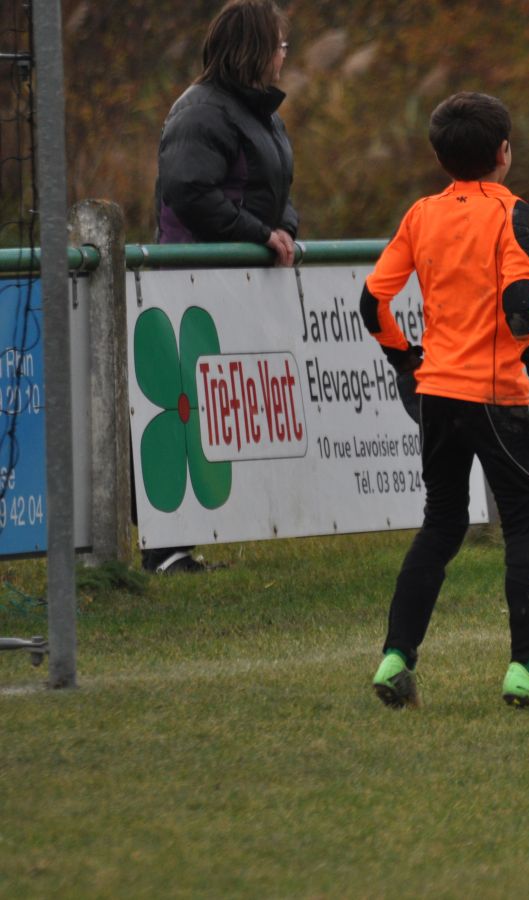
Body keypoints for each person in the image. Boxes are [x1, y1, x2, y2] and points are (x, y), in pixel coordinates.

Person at [364, 92, 529, 712]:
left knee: (442, 523)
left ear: (440, 157)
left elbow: (372, 303)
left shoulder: (421, 214)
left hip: (437, 394)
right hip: (495, 395)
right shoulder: (515, 214)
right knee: (525, 525)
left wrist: (406, 361)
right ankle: (524, 671)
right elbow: (519, 305)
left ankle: (395, 659)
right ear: (504, 152)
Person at [145, 0, 299, 574]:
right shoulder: (201, 111)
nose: (284, 55)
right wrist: (259, 234)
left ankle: (181, 542)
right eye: (279, 45)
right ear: (255, 50)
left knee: (210, 411)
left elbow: (278, 193)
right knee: (181, 410)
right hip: (188, 283)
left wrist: (285, 229)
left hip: (228, 283)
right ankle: (163, 548)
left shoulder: (262, 115)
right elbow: (189, 191)